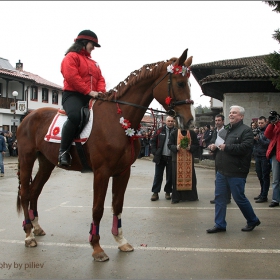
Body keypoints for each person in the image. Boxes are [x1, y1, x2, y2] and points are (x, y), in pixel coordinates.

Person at [207, 105, 260, 233]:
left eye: (234, 113)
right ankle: (219, 224)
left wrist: (227, 147)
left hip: (237, 171)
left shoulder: (246, 131)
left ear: (241, 116)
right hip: (221, 171)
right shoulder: (224, 130)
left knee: (239, 197)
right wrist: (213, 147)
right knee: (220, 198)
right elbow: (218, 144)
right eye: (230, 113)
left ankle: (252, 220)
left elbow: (246, 148)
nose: (231, 115)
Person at [58, 29, 106, 167]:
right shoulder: (71, 57)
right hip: (73, 95)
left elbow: (100, 79)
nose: (93, 49)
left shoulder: (94, 63)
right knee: (75, 116)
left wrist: (101, 92)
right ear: (84, 42)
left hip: (92, 95)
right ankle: (63, 152)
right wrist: (89, 91)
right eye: (92, 45)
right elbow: (72, 77)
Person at [168, 128, 199, 203]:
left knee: (190, 178)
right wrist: (176, 147)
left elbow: (197, 145)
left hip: (189, 160)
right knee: (176, 178)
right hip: (177, 160)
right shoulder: (174, 133)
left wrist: (190, 147)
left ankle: (190, 196)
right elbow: (169, 145)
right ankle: (177, 197)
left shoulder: (192, 133)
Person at [150, 116, 175, 201]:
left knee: (170, 176)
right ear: (165, 122)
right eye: (169, 121)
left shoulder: (176, 131)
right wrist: (155, 152)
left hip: (171, 158)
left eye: (172, 121)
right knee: (158, 176)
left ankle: (168, 192)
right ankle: (155, 193)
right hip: (160, 157)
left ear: (174, 122)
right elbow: (152, 141)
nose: (170, 122)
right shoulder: (159, 130)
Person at [208, 114, 232, 204]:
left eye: (219, 120)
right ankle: (218, 196)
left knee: (226, 178)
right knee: (218, 178)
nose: (217, 122)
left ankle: (227, 198)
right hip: (217, 157)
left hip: (226, 156)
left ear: (223, 121)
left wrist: (216, 146)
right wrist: (211, 146)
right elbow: (212, 141)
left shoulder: (227, 130)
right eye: (216, 120)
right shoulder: (215, 131)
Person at [253, 116, 271, 203]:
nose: (260, 125)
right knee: (260, 176)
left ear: (265, 122)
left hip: (264, 156)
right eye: (259, 123)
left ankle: (264, 195)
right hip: (257, 155)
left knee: (265, 176)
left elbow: (268, 144)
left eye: (262, 123)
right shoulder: (257, 131)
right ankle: (262, 193)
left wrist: (259, 139)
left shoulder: (268, 132)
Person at [264, 111, 280, 207]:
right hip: (275, 155)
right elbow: (268, 135)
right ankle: (275, 199)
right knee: (275, 179)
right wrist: (271, 123)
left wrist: (277, 123)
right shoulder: (274, 126)